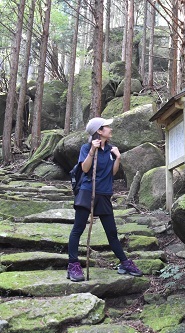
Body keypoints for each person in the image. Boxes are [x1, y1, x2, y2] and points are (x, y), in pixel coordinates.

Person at [67, 117, 143, 282]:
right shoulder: (86, 148)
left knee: (112, 232)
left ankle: (124, 262)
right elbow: (85, 169)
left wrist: (118, 159)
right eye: (107, 127)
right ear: (99, 131)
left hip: (104, 194)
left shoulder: (110, 150)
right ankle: (73, 265)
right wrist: (92, 152)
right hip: (88, 192)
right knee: (78, 229)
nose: (110, 129)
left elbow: (112, 173)